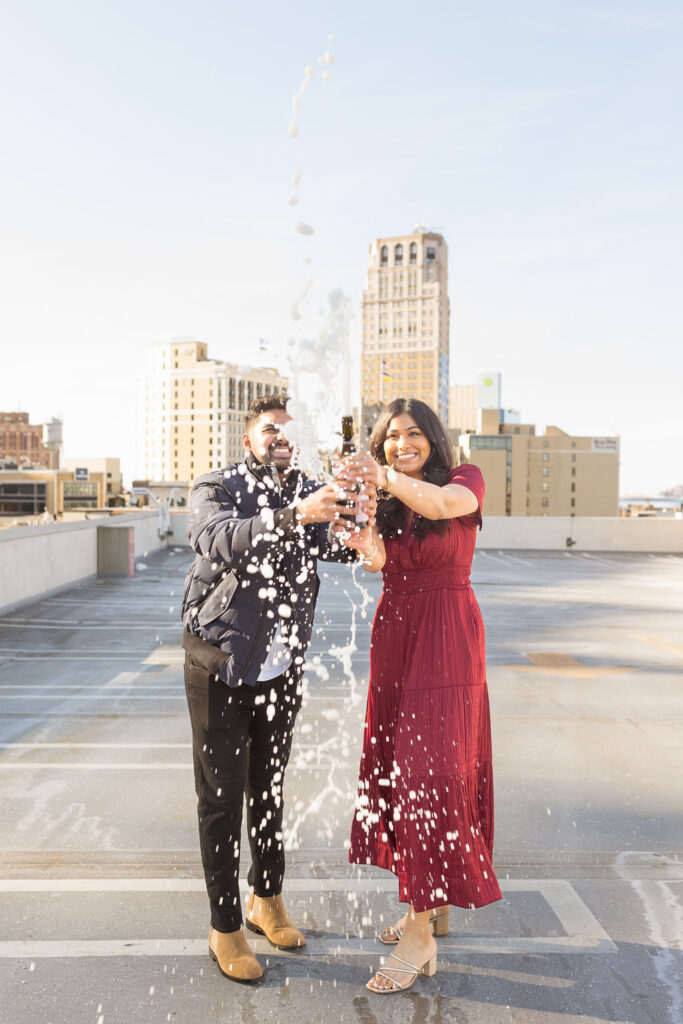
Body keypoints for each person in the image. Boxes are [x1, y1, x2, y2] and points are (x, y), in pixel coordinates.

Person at [181, 395, 371, 983]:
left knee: (269, 786)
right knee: (221, 798)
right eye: (269, 430)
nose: (280, 438)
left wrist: (357, 509)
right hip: (220, 662)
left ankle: (267, 898)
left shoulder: (309, 489)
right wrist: (295, 516)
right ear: (249, 439)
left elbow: (345, 548)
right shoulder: (216, 486)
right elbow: (216, 540)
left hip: (281, 668)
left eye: (290, 431)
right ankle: (225, 925)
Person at [335, 397, 502, 994]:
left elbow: (445, 506)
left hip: (448, 635)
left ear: (432, 437)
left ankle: (419, 931)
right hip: (397, 637)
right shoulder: (389, 498)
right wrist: (357, 525)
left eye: (412, 435)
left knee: (430, 773)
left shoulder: (463, 480)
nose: (401, 443)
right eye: (390, 438)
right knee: (404, 774)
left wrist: (383, 478)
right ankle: (431, 901)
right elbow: (381, 559)